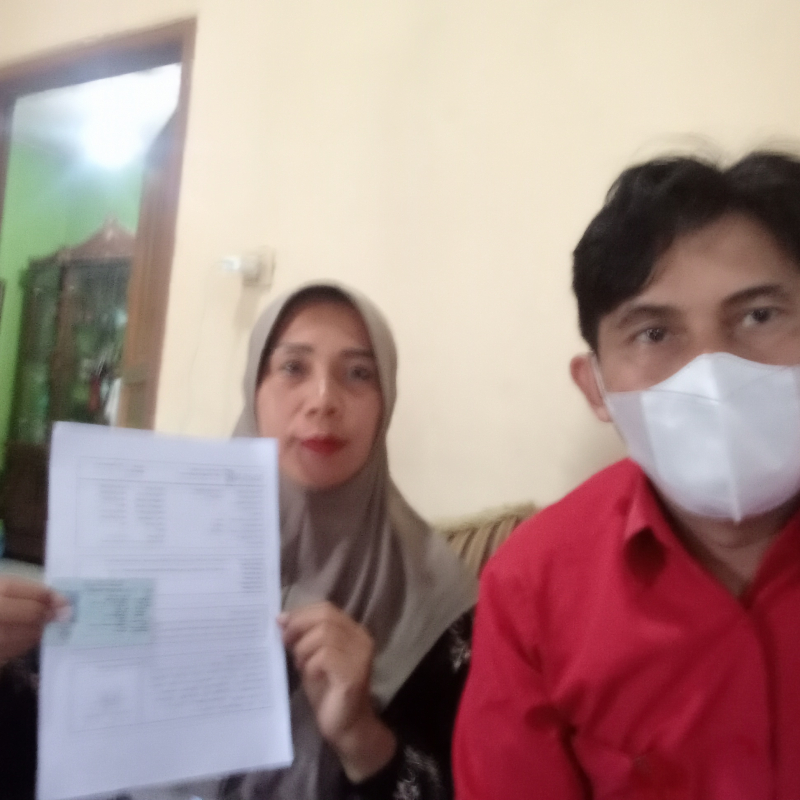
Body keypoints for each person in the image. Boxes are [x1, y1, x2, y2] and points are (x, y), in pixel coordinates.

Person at [0, 282, 476, 800]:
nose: (323, 400)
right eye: (293, 367)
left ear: (386, 403)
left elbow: (469, 784)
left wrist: (361, 736)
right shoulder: (149, 537)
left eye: (359, 373)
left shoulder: (436, 597)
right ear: (254, 389)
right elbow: (41, 743)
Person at [453, 152, 800, 799]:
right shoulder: (532, 583)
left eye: (758, 315)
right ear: (596, 389)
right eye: (654, 333)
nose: (712, 369)